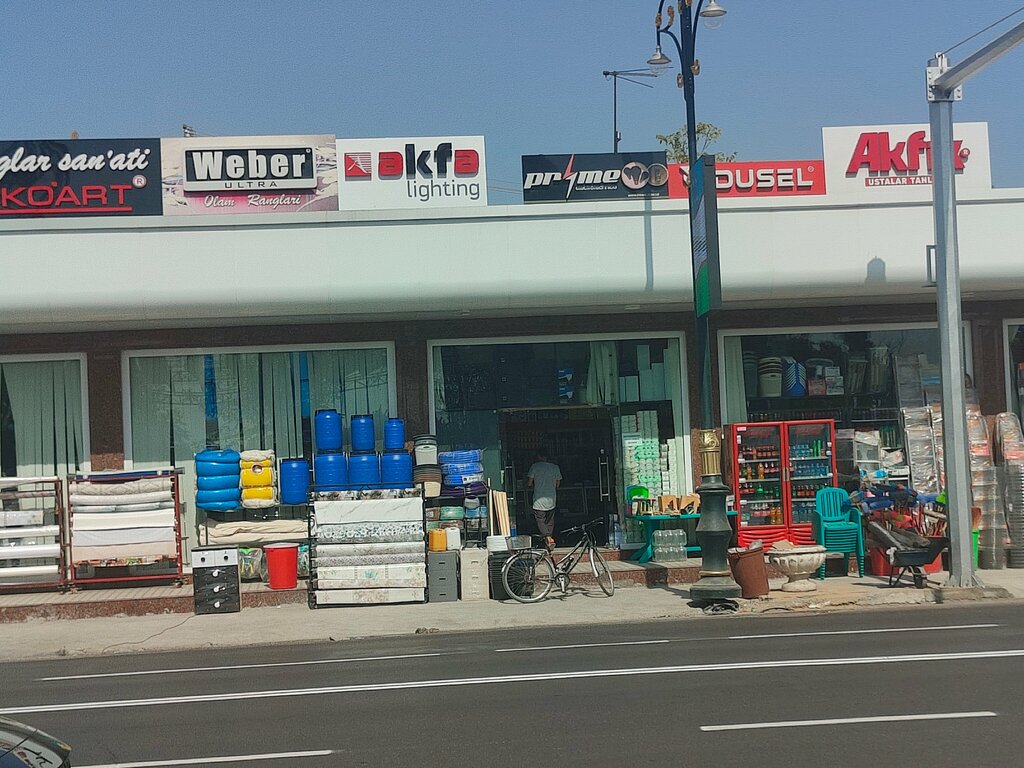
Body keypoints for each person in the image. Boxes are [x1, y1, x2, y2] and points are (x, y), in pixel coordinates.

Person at [527, 448, 562, 551]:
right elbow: (558, 484)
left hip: (539, 499)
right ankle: (549, 539)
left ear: (539, 456)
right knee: (550, 521)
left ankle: (548, 538)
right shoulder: (555, 467)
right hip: (551, 498)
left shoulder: (534, 467)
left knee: (540, 520)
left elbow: (529, 483)